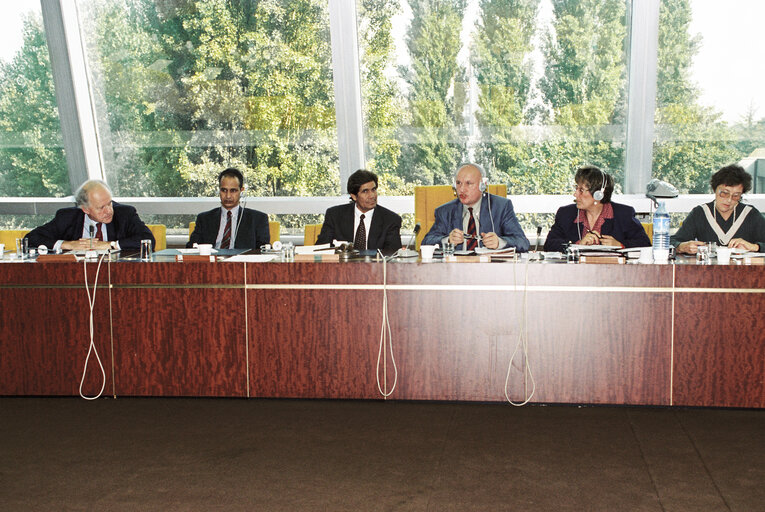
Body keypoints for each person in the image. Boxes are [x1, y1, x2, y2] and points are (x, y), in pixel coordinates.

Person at [422, 163, 529, 251]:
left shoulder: (501, 207)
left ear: (482, 186)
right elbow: (426, 242)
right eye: (458, 183)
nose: (462, 189)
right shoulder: (445, 211)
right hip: (456, 271)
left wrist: (499, 243)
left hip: (490, 271)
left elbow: (522, 242)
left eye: (469, 183)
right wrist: (448, 240)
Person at [25, 179, 154, 251]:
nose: (108, 210)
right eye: (101, 207)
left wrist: (110, 244)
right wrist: (68, 245)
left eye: (109, 204)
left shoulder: (125, 214)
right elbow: (31, 238)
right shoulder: (67, 217)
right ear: (85, 209)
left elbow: (148, 240)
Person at [544, 166, 650, 252]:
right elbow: (549, 244)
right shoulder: (566, 214)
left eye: (581, 190)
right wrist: (576, 245)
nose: (575, 194)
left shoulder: (623, 214)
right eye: (576, 188)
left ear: (598, 194)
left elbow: (644, 244)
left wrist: (620, 245)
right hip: (575, 274)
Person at [671, 164, 765, 254]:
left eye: (736, 196)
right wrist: (681, 247)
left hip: (743, 270)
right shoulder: (700, 213)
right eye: (724, 193)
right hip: (707, 270)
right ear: (714, 189)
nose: (729, 200)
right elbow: (672, 241)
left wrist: (755, 247)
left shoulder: (750, 214)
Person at [316, 169, 402, 253]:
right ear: (353, 196)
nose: (372, 195)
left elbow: (393, 255)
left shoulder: (391, 220)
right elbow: (321, 249)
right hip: (342, 266)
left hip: (375, 266)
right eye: (365, 191)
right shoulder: (335, 215)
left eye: (373, 189)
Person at [187, 167, 270, 249]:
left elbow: (264, 250)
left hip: (242, 261)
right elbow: (191, 246)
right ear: (219, 190)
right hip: (212, 261)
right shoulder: (204, 219)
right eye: (224, 190)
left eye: (233, 191)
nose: (228, 196)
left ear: (241, 191)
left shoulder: (258, 219)